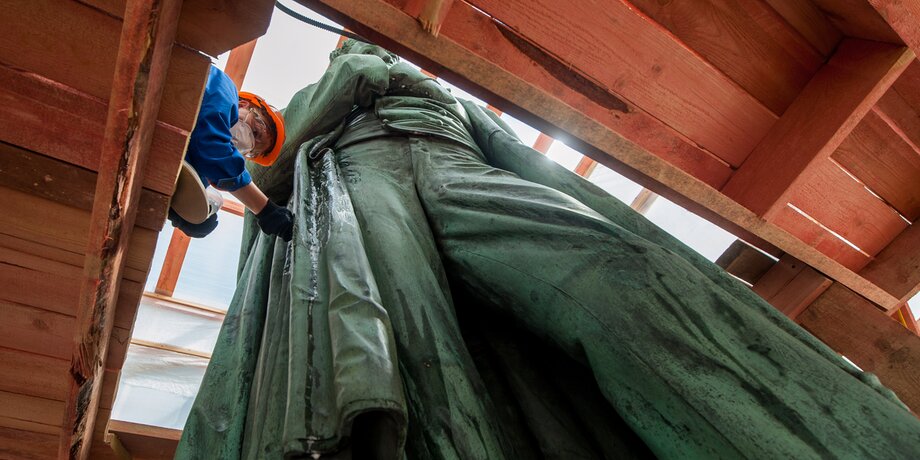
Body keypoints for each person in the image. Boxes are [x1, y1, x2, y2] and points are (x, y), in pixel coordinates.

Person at [177, 41, 920, 459]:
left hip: (456, 164)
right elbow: (273, 166)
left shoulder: (439, 97)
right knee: (410, 339)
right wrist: (350, 88)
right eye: (351, 44)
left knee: (623, 274)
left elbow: (515, 154)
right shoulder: (304, 112)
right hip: (366, 177)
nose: (362, 50)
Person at [168, 65, 294, 241]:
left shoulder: (199, 166)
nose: (248, 141)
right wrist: (265, 210)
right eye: (256, 131)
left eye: (250, 150)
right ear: (243, 105)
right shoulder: (223, 87)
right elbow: (213, 149)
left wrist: (188, 210)